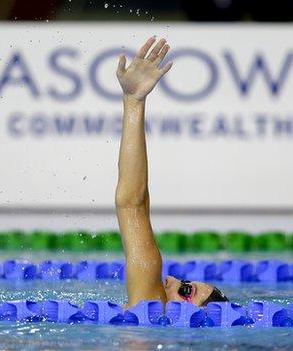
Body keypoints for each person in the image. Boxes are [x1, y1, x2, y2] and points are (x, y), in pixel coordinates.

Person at [115, 36, 229, 308]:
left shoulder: (154, 309)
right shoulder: (155, 321)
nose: (169, 279)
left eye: (186, 290)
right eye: (185, 283)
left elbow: (133, 204)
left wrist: (134, 101)